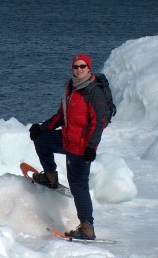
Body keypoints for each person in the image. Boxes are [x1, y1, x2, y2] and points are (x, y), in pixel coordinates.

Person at [29, 53, 107, 240]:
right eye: (76, 67)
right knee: (42, 141)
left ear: (89, 68)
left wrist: (91, 147)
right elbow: (62, 115)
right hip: (66, 139)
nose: (79, 70)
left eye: (82, 66)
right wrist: (43, 128)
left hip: (81, 147)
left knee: (78, 186)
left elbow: (99, 122)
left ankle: (87, 227)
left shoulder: (93, 91)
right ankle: (50, 177)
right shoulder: (71, 87)